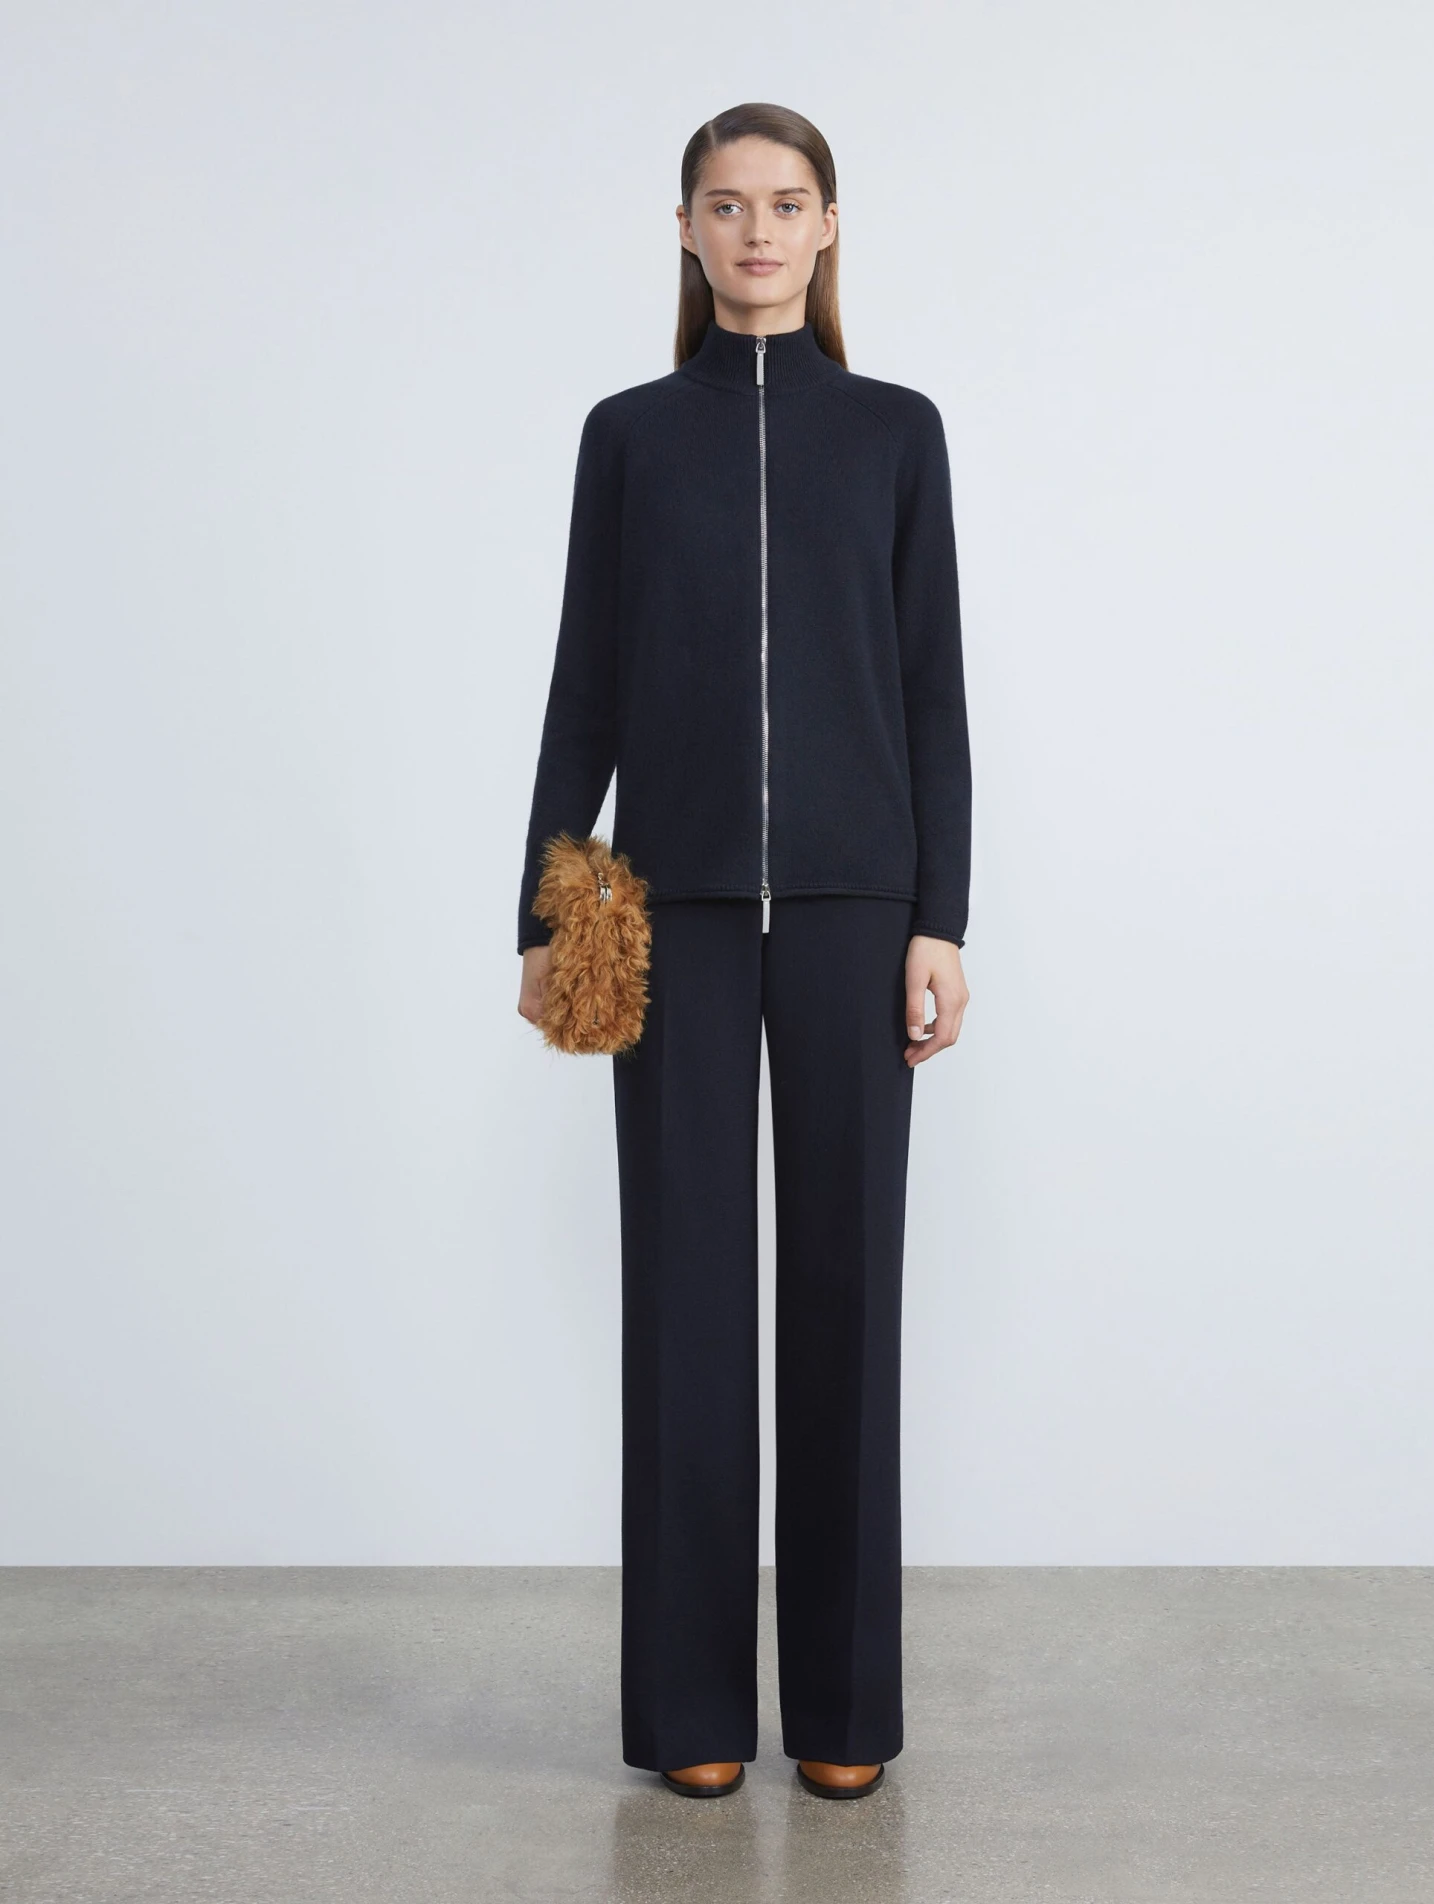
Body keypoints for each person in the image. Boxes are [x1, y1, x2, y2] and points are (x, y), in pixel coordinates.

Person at [515, 101, 971, 1801]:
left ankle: (844, 1716)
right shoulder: (629, 436)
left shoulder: (897, 434)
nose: (758, 231)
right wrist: (550, 915)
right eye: (727, 204)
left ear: (829, 225)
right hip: (670, 921)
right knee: (685, 1305)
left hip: (857, 917)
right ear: (688, 231)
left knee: (847, 1306)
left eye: (786, 204)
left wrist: (941, 918)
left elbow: (931, 687)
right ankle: (692, 1714)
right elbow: (584, 680)